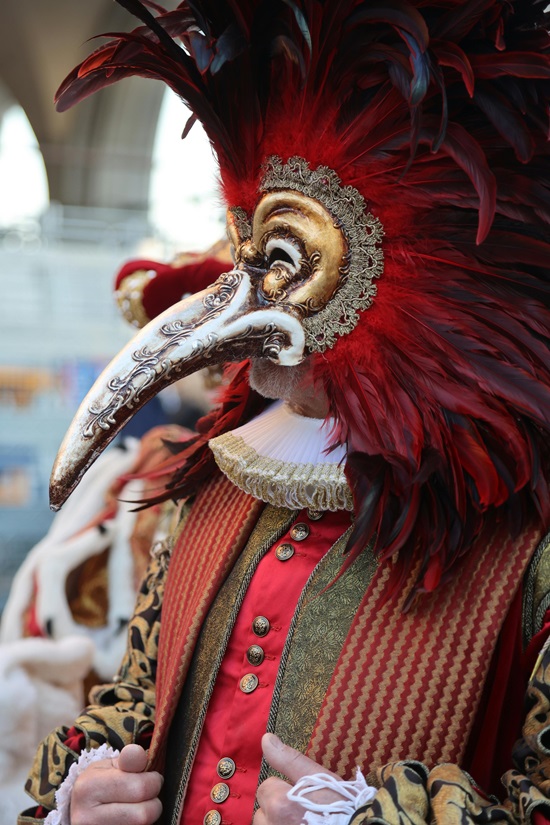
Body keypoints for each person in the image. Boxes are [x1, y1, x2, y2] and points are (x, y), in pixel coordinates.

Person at [19, 1, 550, 823]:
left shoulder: (532, 553)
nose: (235, 301)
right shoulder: (212, 491)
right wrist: (84, 797)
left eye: (284, 258)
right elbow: (135, 703)